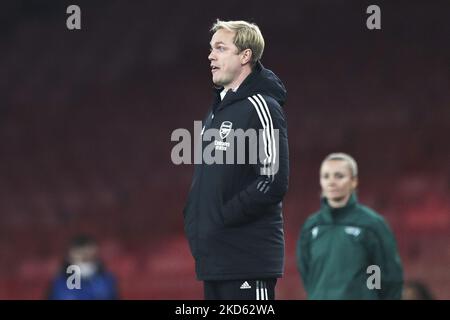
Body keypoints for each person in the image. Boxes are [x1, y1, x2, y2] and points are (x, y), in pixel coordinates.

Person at [183, 19, 289, 300]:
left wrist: (222, 217)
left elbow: (272, 181)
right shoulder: (217, 110)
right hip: (215, 261)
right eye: (210, 48)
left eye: (220, 48)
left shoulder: (262, 106)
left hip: (247, 260)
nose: (210, 56)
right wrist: (195, 222)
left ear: (245, 56)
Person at [296, 153, 403, 299]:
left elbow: (387, 276)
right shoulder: (311, 226)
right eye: (326, 176)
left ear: (354, 181)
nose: (331, 182)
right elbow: (307, 274)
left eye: (339, 176)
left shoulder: (372, 224)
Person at [47, 234, 119, 300]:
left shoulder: (107, 280)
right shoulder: (58, 283)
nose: (84, 260)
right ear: (69, 257)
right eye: (80, 257)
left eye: (88, 258)